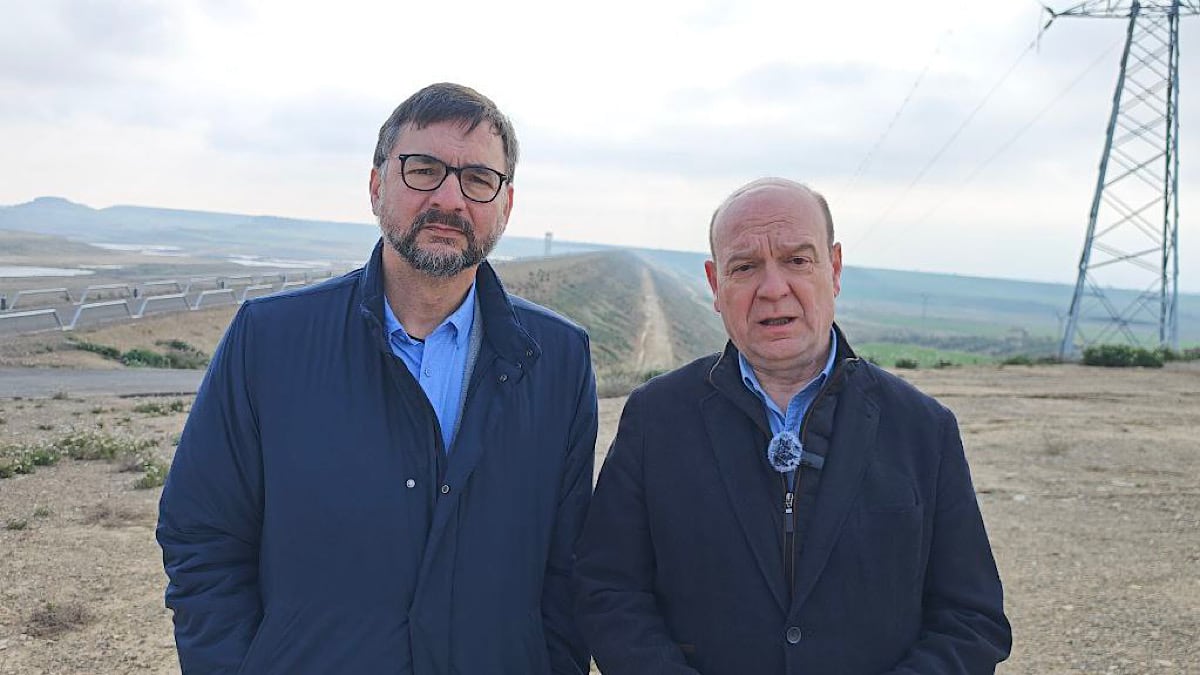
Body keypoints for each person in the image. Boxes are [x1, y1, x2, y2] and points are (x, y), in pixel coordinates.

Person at [158, 83, 598, 674]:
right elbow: (203, 536)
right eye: (423, 170)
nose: (450, 198)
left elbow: (566, 569)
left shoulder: (559, 358)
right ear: (375, 186)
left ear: (506, 204)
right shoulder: (270, 339)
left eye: (477, 179)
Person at [574, 178, 1011, 674]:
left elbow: (971, 620)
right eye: (745, 267)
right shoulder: (656, 417)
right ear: (716, 285)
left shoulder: (923, 428)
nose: (773, 288)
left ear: (835, 269)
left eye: (797, 260)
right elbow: (608, 591)